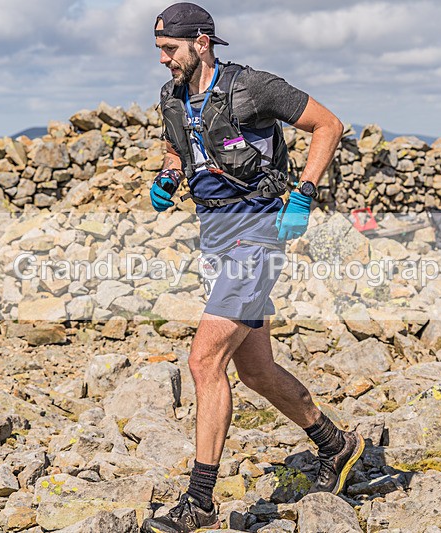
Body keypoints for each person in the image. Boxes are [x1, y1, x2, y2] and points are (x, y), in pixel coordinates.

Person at [142, 3, 364, 532]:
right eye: (159, 52)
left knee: (203, 362)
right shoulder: (171, 98)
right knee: (255, 370)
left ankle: (199, 501)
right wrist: (170, 176)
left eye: (170, 50)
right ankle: (336, 445)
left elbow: (328, 125)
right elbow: (183, 144)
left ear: (202, 41)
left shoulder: (254, 88)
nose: (164, 62)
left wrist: (304, 195)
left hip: (258, 237)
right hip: (217, 240)